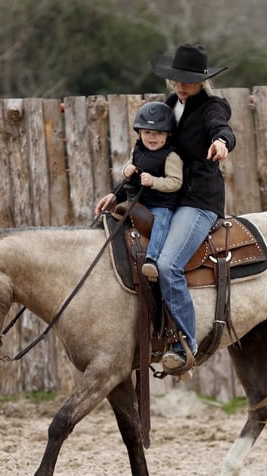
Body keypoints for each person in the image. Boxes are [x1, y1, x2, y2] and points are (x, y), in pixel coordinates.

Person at [149, 43, 236, 374]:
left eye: (188, 80)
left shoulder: (213, 106)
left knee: (169, 263)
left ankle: (186, 343)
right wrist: (117, 194)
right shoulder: (168, 105)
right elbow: (148, 150)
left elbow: (221, 127)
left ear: (201, 81)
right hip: (165, 197)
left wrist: (222, 142)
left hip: (198, 200)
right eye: (177, 79)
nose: (181, 85)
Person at [94, 101, 183, 281]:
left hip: (161, 204)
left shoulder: (171, 156)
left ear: (168, 134)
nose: (152, 137)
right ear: (140, 132)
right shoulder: (137, 150)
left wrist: (154, 181)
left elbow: (176, 182)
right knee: (115, 219)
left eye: (158, 133)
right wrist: (127, 168)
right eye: (147, 132)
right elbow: (130, 171)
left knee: (161, 223)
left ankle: (152, 259)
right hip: (137, 201)